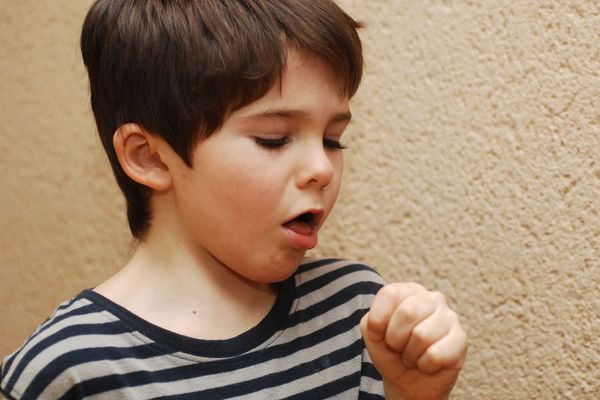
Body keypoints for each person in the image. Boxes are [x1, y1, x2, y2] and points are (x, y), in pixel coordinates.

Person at [0, 1, 467, 399]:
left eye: (332, 139)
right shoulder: (69, 368)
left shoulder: (357, 311)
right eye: (274, 138)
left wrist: (412, 394)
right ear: (150, 158)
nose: (322, 169)